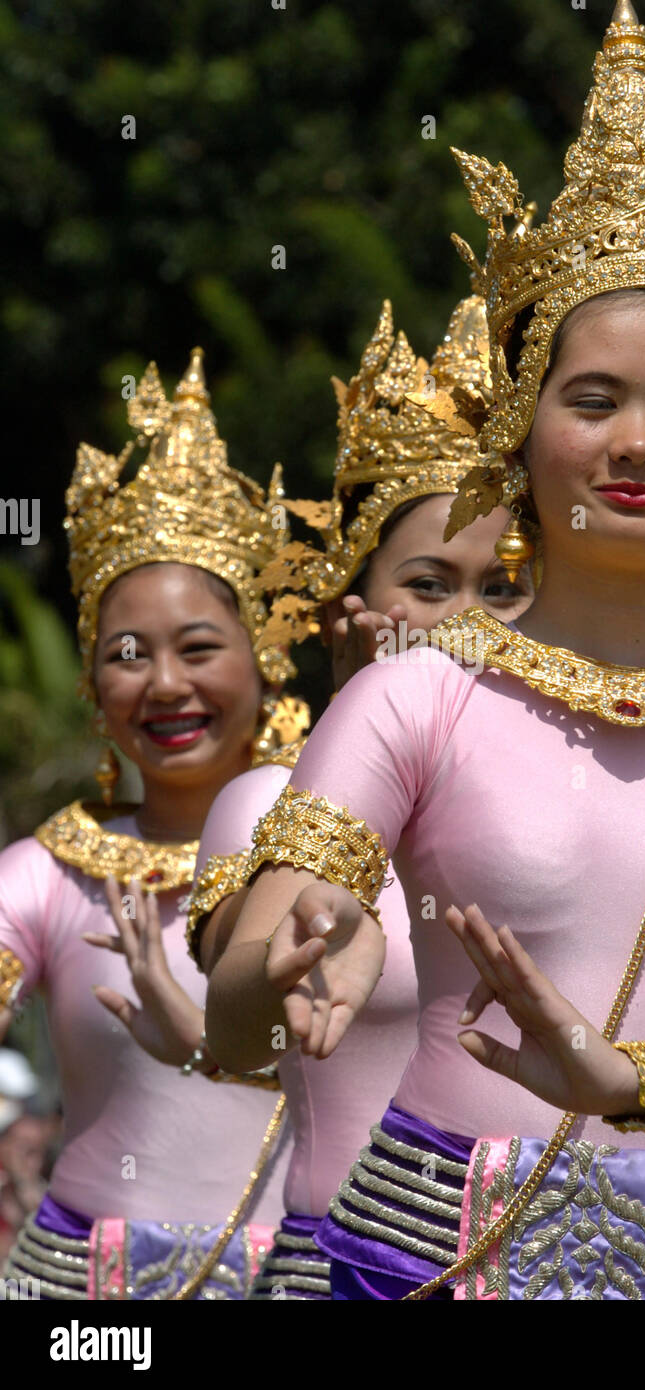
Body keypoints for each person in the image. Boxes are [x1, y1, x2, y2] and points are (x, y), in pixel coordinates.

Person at [204, 2, 645, 1302]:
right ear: (523, 426)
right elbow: (238, 1003)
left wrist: (640, 1078)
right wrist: (257, 984)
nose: (637, 443)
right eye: (594, 398)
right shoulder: (413, 697)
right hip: (425, 1256)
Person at [188, 296, 535, 1299]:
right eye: (429, 583)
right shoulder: (269, 799)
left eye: (503, 586)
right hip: (342, 1274)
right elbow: (235, 1016)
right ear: (356, 606)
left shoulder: (581, 799)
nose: (470, 620)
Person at [0, 350, 316, 1299]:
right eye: (128, 655)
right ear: (96, 694)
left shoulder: (339, 854)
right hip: (87, 1290)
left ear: (265, 666)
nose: (166, 684)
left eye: (201, 648)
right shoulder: (49, 875)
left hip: (307, 1277)